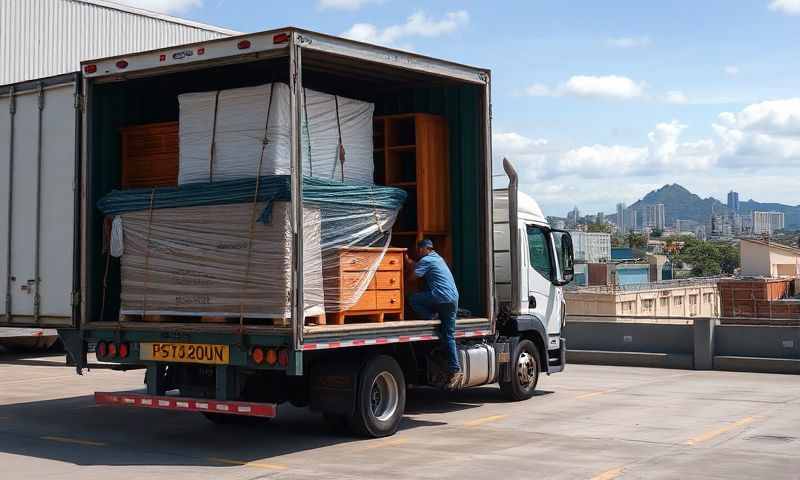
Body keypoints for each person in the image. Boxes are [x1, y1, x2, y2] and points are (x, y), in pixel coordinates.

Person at [404, 239, 462, 388]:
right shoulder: (438, 258)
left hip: (440, 297)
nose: (418, 252)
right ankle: (455, 369)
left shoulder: (426, 260)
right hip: (453, 298)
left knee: (413, 299)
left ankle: (431, 316)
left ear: (424, 249)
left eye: (419, 250)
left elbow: (412, 277)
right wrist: (411, 262)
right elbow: (418, 268)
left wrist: (406, 263)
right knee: (448, 335)